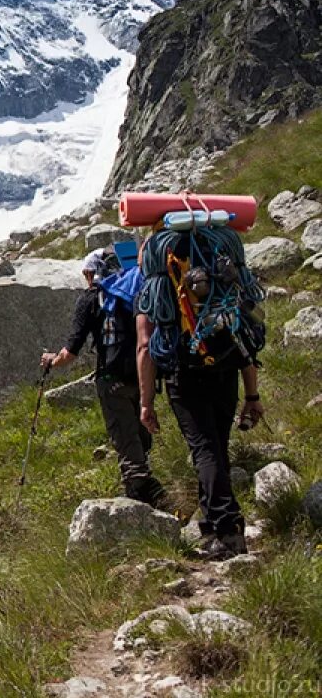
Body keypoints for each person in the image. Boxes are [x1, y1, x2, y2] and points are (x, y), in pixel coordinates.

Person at [137, 234, 265, 560]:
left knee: (204, 449)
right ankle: (210, 525)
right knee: (216, 446)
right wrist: (253, 395)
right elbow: (246, 341)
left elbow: (144, 348)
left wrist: (146, 402)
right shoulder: (224, 275)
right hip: (226, 365)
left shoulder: (154, 288)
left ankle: (228, 530)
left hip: (184, 371)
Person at [42, 249, 166, 507]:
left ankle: (143, 498)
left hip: (112, 377)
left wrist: (51, 362)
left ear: (90, 273)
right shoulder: (137, 290)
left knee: (124, 435)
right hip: (145, 374)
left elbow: (71, 350)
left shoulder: (90, 299)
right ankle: (149, 484)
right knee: (140, 434)